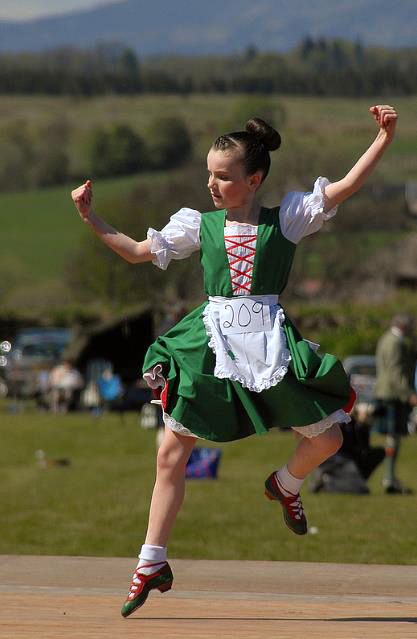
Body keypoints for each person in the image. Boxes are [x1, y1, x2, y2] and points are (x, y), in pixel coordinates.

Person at [71, 104, 398, 617]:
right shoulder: (197, 225)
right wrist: (92, 217)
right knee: (169, 453)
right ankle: (151, 561)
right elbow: (137, 252)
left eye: (223, 176)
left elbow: (344, 187)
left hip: (269, 342)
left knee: (331, 439)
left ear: (254, 178)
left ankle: (284, 484)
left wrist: (383, 138)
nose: (212, 184)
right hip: (211, 343)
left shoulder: (285, 219)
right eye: (209, 174)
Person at [375, 313, 417, 494]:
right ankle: (389, 478)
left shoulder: (386, 338)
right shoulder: (396, 343)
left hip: (388, 393)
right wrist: (409, 394)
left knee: (394, 437)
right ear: (404, 326)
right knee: (393, 437)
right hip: (393, 394)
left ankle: (390, 477)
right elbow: (395, 372)